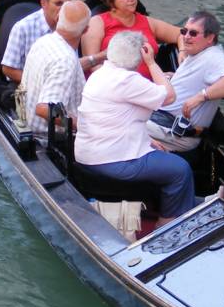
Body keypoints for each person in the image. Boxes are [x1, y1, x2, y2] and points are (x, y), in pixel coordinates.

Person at [75, 32, 198, 227]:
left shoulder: (99, 75)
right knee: (180, 169)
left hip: (87, 154)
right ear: (140, 55)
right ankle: (167, 223)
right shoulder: (128, 80)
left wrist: (147, 140)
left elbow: (117, 119)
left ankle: (171, 206)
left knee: (161, 154)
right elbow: (169, 96)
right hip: (112, 161)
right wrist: (151, 63)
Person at [146, 11, 224, 152]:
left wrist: (201, 96)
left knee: (112, 120)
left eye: (193, 33)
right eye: (184, 31)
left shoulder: (214, 57)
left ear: (210, 37)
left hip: (172, 132)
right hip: (159, 122)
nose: (186, 37)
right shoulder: (197, 53)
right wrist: (173, 77)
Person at [80, 0, 182, 80]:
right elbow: (93, 66)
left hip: (149, 86)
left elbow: (182, 34)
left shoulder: (148, 22)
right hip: (112, 85)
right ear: (111, 0)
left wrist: (182, 52)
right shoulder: (96, 23)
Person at [20, 0, 91, 135]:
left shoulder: (43, 41)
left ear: (58, 18)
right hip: (53, 138)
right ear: (86, 29)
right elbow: (44, 108)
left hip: (28, 123)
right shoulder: (65, 60)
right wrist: (80, 125)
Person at [1, 0, 72, 83]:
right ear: (44, 4)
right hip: (30, 86)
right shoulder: (23, 27)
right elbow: (8, 69)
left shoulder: (71, 25)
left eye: (67, 4)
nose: (64, 9)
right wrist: (38, 83)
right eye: (58, 3)